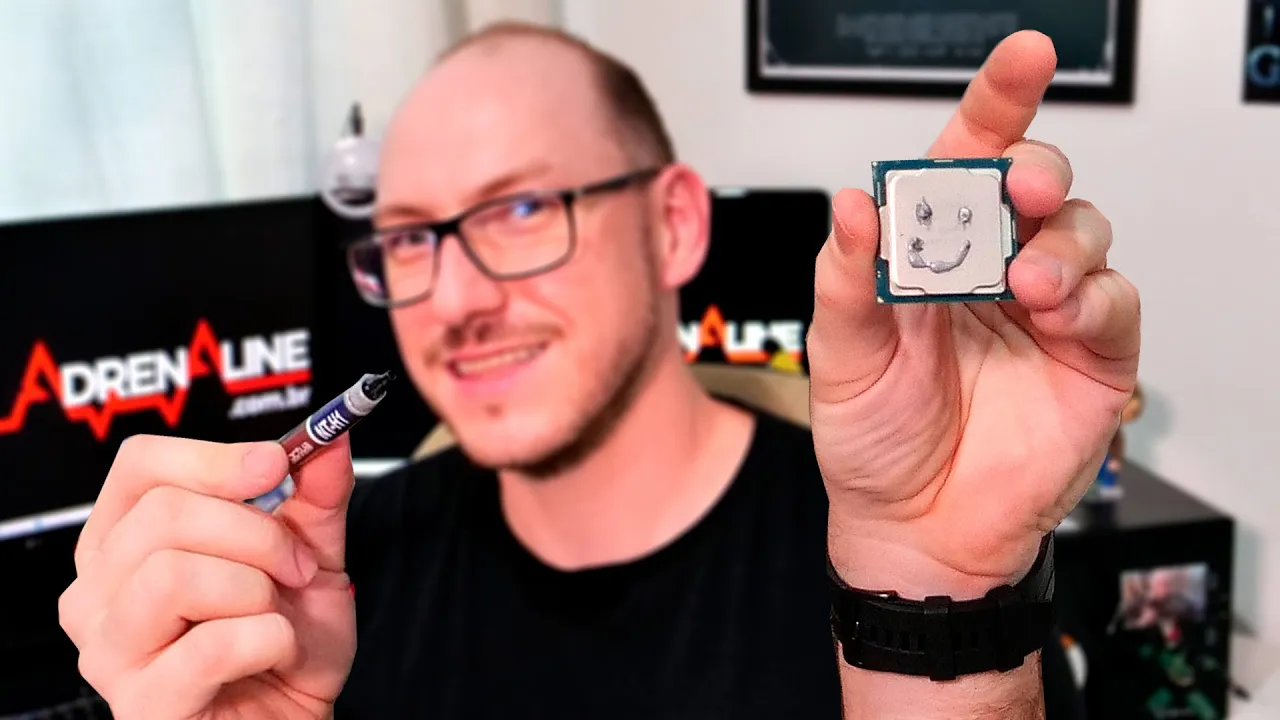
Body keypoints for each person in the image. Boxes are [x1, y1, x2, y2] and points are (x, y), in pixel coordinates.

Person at [57, 21, 1139, 720]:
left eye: (522, 209)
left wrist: (938, 593)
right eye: (410, 238)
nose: (455, 299)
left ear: (673, 226)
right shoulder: (310, 587)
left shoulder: (879, 547)